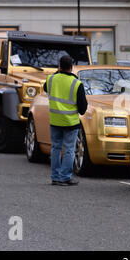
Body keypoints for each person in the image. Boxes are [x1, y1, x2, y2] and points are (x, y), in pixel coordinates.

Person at [43, 55, 88, 186]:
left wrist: (57, 72)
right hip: (70, 122)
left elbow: (46, 88)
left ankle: (55, 177)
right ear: (71, 67)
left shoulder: (51, 79)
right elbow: (83, 108)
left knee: (55, 148)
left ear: (59, 66)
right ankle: (65, 177)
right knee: (69, 149)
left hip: (55, 120)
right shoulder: (76, 83)